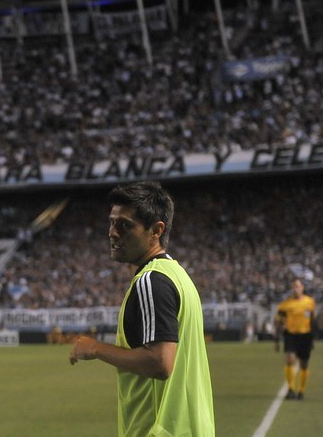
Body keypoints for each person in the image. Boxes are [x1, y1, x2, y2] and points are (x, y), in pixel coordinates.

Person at [69, 181, 215, 436]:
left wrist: (95, 348)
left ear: (156, 230)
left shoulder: (152, 280)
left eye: (125, 225)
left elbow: (160, 362)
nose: (113, 233)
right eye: (112, 223)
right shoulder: (177, 275)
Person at [275, 278, 316, 400]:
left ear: (302, 288)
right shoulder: (285, 304)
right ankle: (291, 389)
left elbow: (312, 320)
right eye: (294, 286)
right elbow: (278, 321)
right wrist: (276, 339)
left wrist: (313, 338)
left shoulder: (310, 302)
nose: (296, 288)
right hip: (291, 335)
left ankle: (302, 391)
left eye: (298, 286)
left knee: (304, 364)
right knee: (290, 359)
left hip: (306, 335)